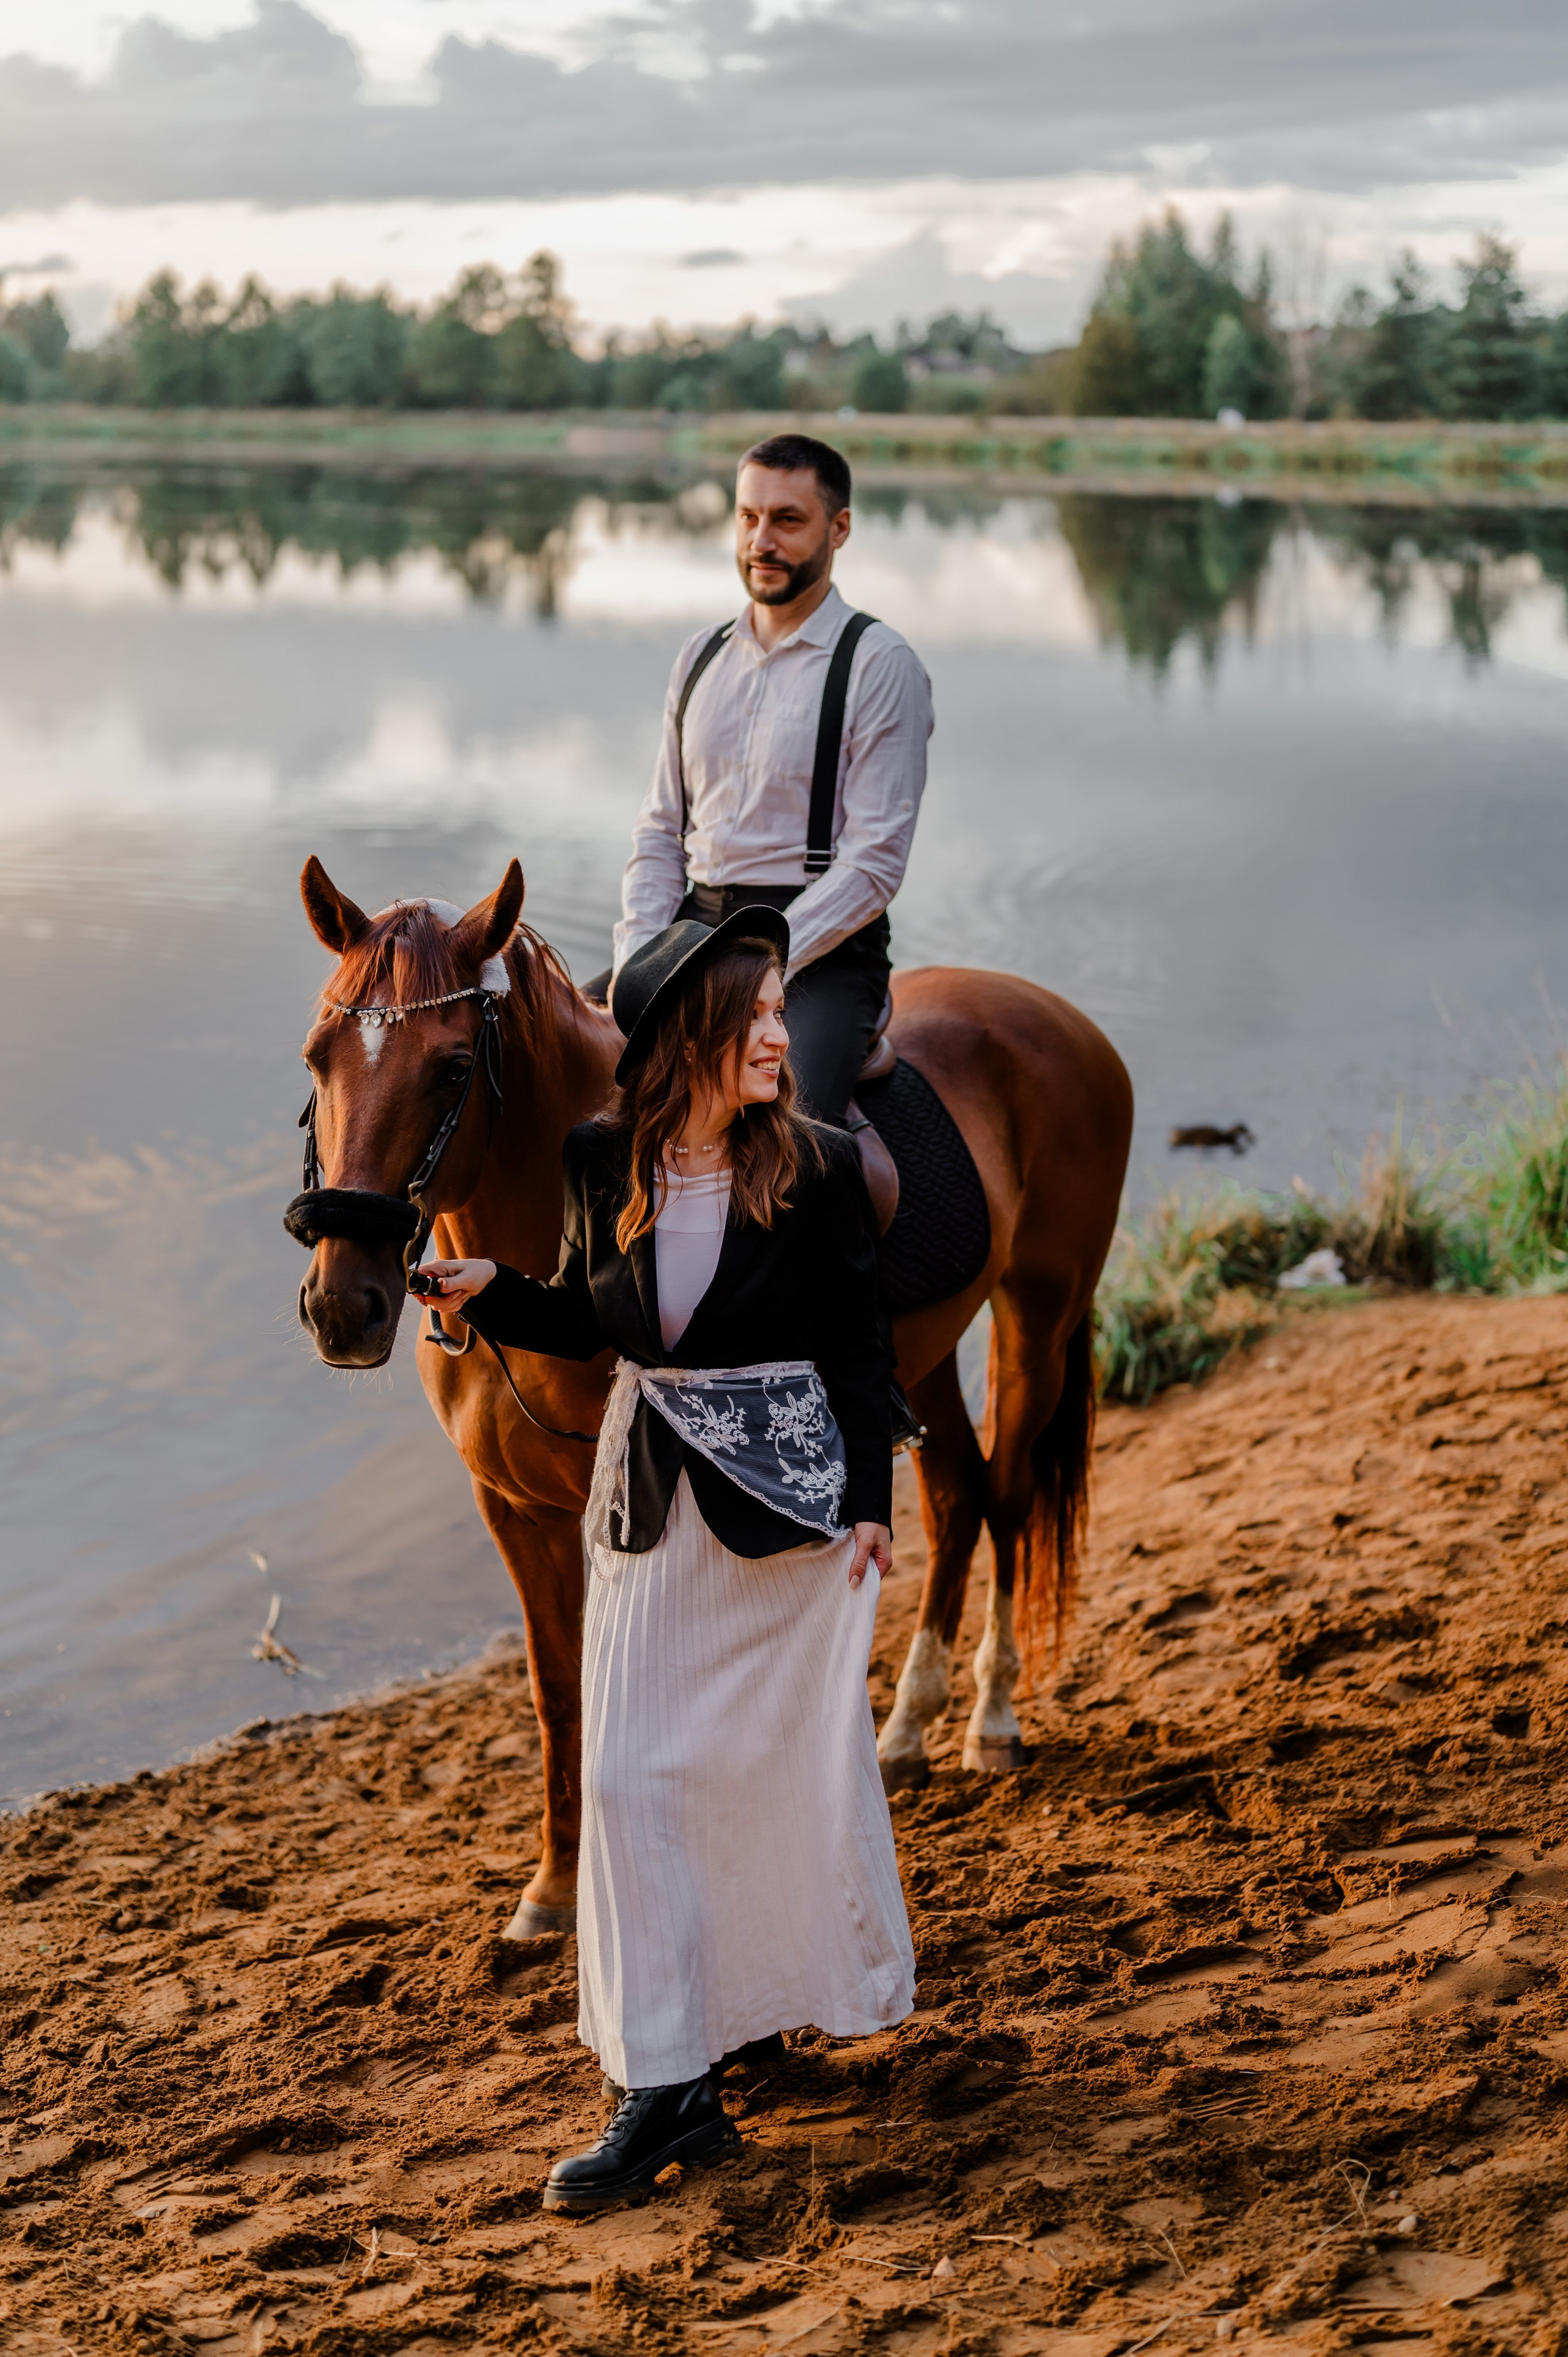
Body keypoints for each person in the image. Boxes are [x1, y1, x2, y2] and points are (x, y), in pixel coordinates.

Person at [421, 907, 916, 2212]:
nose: (776, 1036)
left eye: (775, 1016)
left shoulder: (809, 1163)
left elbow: (860, 1350)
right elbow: (598, 1318)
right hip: (649, 1503)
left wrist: (872, 1496)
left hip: (781, 1512)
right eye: (753, 1017)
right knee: (635, 1779)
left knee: (754, 1776)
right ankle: (662, 2089)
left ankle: (727, 2033)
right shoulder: (602, 1158)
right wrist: (489, 1288)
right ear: (690, 1034)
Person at [609, 432, 934, 1134]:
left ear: (838, 527)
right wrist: (640, 955)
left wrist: (752, 969)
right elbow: (661, 827)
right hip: (688, 932)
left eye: (787, 519)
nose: (762, 540)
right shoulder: (700, 655)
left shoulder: (879, 663)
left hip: (818, 951)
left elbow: (874, 864)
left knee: (784, 1142)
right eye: (748, 516)